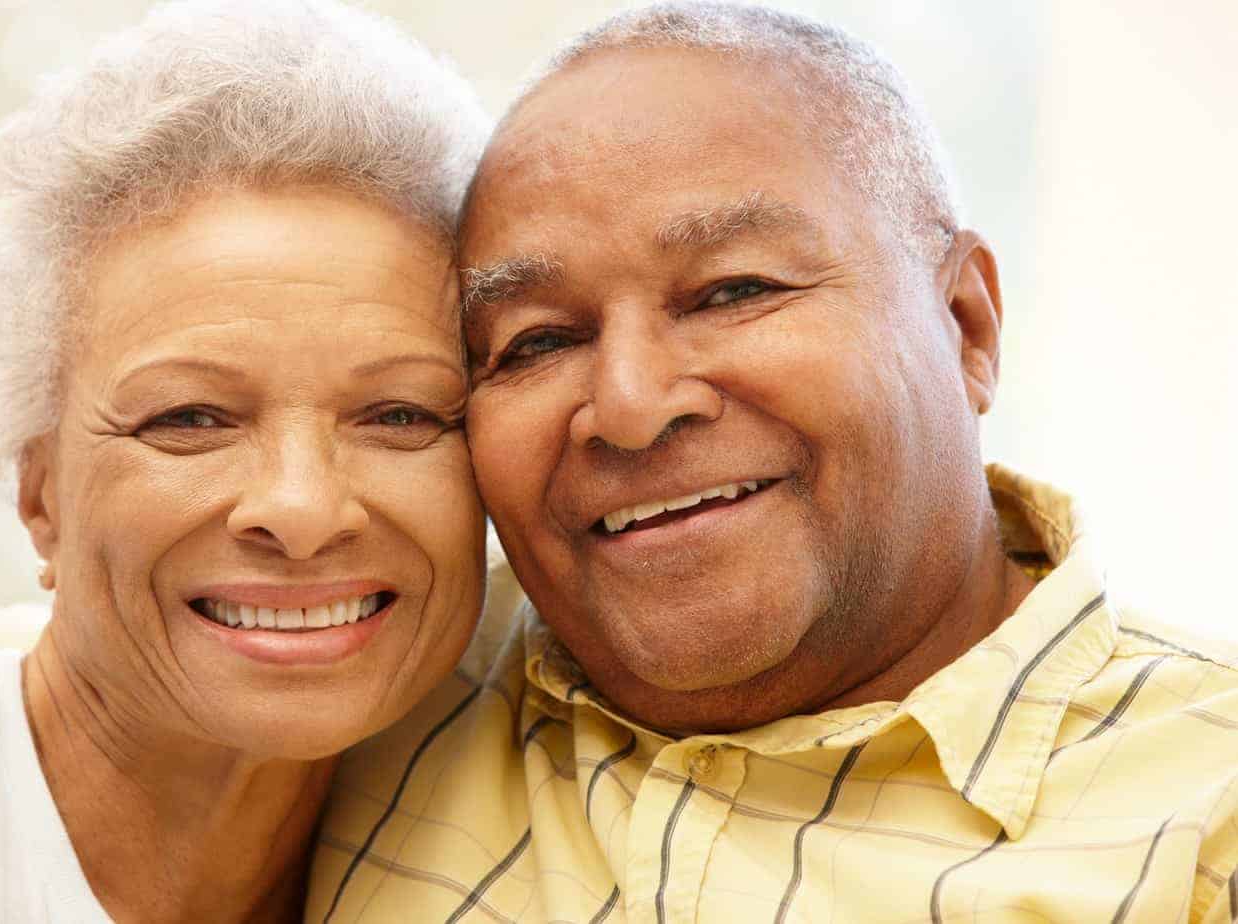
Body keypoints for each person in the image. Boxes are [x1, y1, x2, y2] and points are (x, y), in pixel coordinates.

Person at [306, 4, 1238, 922]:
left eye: (733, 290)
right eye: (537, 341)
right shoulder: (370, 688)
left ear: (966, 325)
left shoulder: (1208, 813)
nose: (629, 408)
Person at [0, 0, 491, 920]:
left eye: (399, 414)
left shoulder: (523, 819)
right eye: (190, 418)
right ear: (40, 496)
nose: (304, 509)